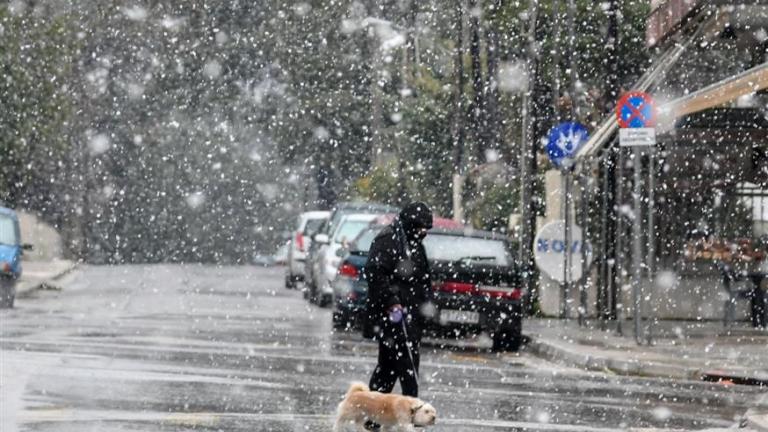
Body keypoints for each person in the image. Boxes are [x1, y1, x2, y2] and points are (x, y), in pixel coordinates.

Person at [364, 202, 433, 399]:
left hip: (411, 313)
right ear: (411, 224)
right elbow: (375, 273)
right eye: (421, 227)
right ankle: (410, 410)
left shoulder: (413, 243)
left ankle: (374, 410)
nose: (424, 232)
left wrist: (427, 303)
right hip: (393, 315)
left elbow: (422, 278)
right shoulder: (388, 240)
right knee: (405, 365)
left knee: (391, 366)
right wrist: (392, 301)